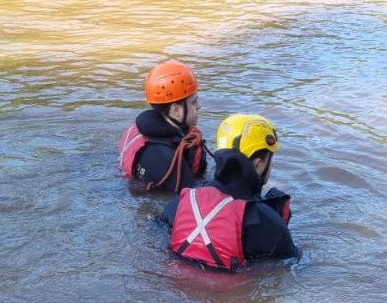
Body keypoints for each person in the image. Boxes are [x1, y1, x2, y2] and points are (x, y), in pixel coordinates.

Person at [160, 114, 296, 271]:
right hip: (228, 291)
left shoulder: (182, 201)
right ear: (258, 165)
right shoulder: (268, 223)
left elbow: (156, 229)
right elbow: (290, 266)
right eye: (270, 161)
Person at [118, 61, 209, 192]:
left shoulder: (137, 129)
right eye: (194, 102)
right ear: (176, 110)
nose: (199, 106)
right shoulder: (169, 160)